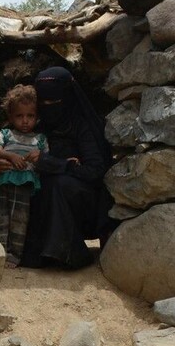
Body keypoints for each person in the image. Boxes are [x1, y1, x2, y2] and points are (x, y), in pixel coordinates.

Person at [7, 65, 114, 270]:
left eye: (54, 102)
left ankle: (67, 253)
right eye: (44, 103)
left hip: (83, 204)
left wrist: (53, 164)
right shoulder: (33, 126)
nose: (49, 107)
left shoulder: (82, 126)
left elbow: (94, 171)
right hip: (40, 194)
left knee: (57, 183)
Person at [0, 84, 48, 267]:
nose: (25, 121)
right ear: (10, 117)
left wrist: (39, 160)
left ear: (37, 117)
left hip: (25, 185)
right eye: (19, 116)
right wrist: (11, 156)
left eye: (30, 116)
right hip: (2, 180)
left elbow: (45, 160)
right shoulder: (5, 134)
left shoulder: (41, 139)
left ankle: (14, 256)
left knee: (19, 220)